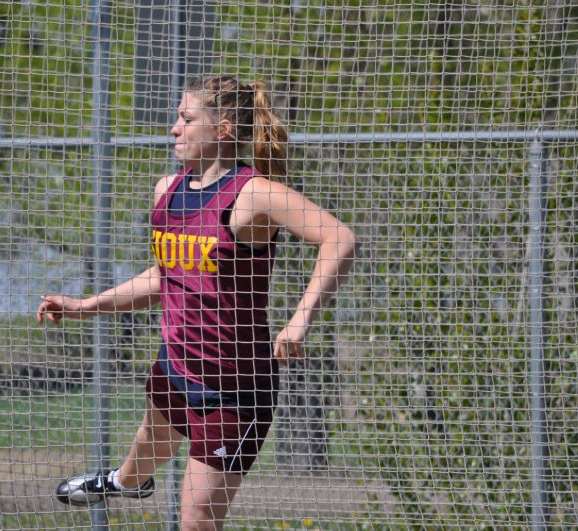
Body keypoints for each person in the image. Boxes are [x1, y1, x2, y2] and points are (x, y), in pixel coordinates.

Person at [37, 75, 357, 531]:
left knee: (196, 515)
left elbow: (340, 239)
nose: (174, 129)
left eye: (186, 119)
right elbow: (167, 276)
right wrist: (87, 306)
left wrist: (298, 322)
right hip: (177, 368)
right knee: (140, 461)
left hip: (235, 391)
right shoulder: (167, 190)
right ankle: (125, 482)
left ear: (223, 129)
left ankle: (127, 482)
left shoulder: (254, 193)